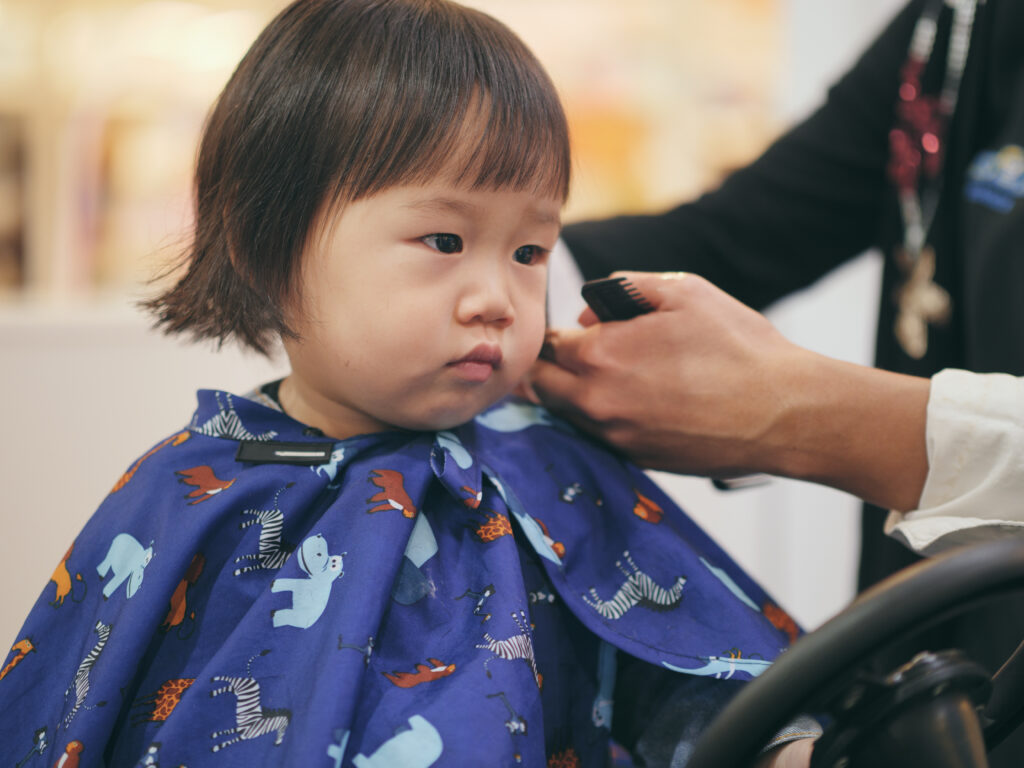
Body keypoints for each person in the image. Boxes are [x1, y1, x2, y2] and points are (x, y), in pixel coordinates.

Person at [0, 2, 815, 766]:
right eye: (443, 239)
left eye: (529, 252)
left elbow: (684, 678)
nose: (497, 298)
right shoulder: (184, 499)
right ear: (264, 244)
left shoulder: (556, 473)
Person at [535, 0, 1024, 762]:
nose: (480, 301)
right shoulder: (956, 26)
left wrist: (797, 414)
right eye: (442, 243)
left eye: (520, 254)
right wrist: (511, 266)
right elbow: (735, 234)